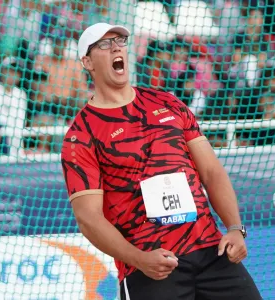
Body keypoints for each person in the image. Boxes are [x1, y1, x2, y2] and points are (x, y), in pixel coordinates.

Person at [60, 22, 262, 300]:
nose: (116, 47)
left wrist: (235, 229)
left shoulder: (166, 102)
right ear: (87, 61)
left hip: (211, 250)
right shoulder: (81, 134)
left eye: (119, 40)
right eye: (104, 44)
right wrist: (139, 259)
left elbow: (211, 171)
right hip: (152, 265)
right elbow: (88, 218)